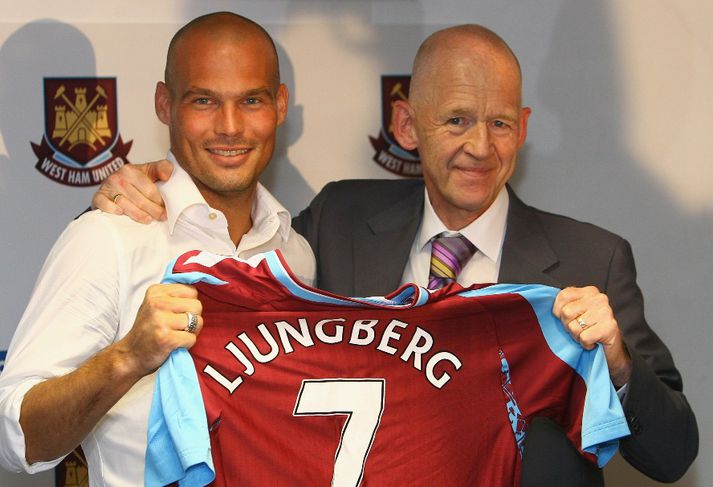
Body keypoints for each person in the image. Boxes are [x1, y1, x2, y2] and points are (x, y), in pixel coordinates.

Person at [92, 24, 697, 486]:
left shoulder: (592, 259)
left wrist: (616, 361)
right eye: (456, 120)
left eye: (500, 124)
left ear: (524, 127)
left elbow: (672, 454)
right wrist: (133, 199)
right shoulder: (339, 222)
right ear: (407, 125)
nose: (480, 146)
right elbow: (232, 252)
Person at [0, 12, 315, 486]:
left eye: (251, 100)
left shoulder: (298, 253)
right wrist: (127, 357)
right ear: (165, 105)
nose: (230, 127)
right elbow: (16, 440)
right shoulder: (110, 236)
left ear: (281, 105)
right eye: (204, 100)